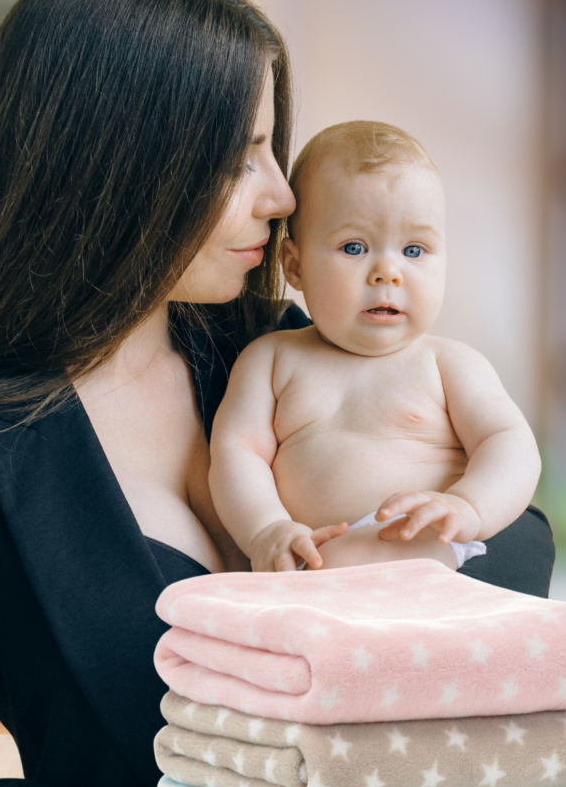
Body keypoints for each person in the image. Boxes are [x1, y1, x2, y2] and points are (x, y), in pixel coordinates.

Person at [0, 0, 553, 787]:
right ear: (115, 164)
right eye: (241, 156)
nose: (281, 196)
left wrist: (408, 541)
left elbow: (517, 547)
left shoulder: (290, 350)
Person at [210, 121, 544, 575]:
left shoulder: (448, 364)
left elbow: (510, 443)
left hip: (429, 558)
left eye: (413, 250)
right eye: (354, 247)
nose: (388, 272)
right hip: (314, 566)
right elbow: (236, 453)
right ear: (295, 265)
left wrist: (469, 507)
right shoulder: (271, 360)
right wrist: (266, 528)